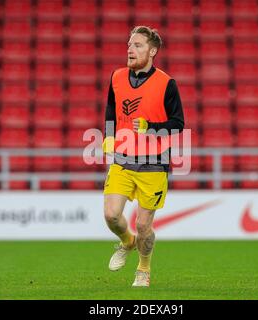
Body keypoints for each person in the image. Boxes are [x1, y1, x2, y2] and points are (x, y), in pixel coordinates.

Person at [102, 26, 184, 287]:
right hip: (123, 160)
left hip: (154, 165)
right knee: (112, 216)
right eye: (129, 44)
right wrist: (108, 135)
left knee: (145, 226)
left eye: (137, 45)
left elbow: (178, 124)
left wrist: (152, 127)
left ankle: (143, 270)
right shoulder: (116, 77)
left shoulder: (166, 83)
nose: (130, 49)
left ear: (152, 51)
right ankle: (127, 241)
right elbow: (110, 112)